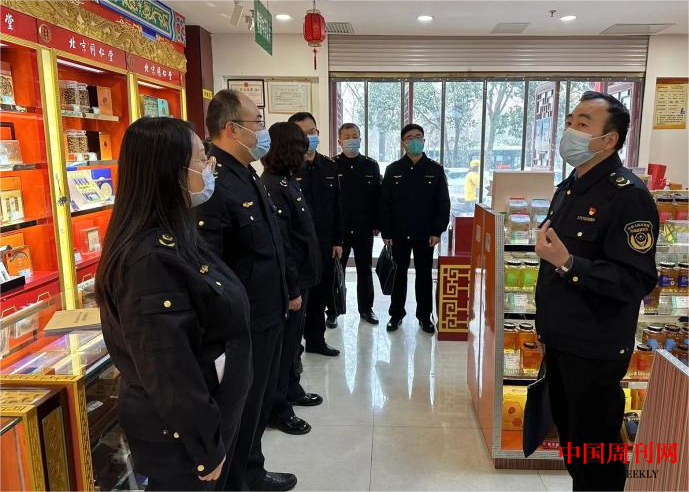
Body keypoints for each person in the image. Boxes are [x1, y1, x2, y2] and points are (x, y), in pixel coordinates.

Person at [95, 117, 252, 492]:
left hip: (210, 419)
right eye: (201, 160)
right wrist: (205, 446)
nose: (209, 168)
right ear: (172, 173)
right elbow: (169, 369)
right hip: (182, 439)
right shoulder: (149, 260)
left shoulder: (176, 235)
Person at [535, 91, 658, 492]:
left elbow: (636, 279)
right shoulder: (569, 188)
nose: (570, 129)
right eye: (570, 120)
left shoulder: (628, 196)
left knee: (596, 456)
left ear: (609, 140)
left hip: (595, 347)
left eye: (583, 122)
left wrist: (570, 263)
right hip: (561, 341)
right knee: (574, 448)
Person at [193, 90, 296, 492]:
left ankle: (252, 470)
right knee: (242, 407)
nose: (262, 131)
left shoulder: (246, 172)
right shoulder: (214, 183)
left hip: (268, 312)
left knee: (259, 402)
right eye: (257, 123)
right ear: (232, 129)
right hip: (244, 322)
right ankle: (238, 481)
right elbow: (211, 266)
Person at [261, 122, 325, 435]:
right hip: (292, 283)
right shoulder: (272, 186)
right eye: (301, 147)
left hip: (304, 277)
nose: (306, 152)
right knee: (284, 350)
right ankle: (278, 409)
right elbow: (283, 245)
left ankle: (292, 389)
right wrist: (293, 288)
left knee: (293, 346)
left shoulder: (288, 180)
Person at [380, 123, 451, 334]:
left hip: (425, 234)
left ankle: (424, 316)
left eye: (418, 137)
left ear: (424, 140)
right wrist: (386, 232)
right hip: (398, 234)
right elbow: (384, 204)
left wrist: (437, 231)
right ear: (403, 143)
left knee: (424, 276)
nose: (414, 141)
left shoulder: (435, 169)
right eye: (410, 137)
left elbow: (443, 203)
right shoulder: (393, 170)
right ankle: (396, 314)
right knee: (398, 275)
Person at [288, 111, 342, 356]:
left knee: (321, 293)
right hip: (297, 246)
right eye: (303, 134)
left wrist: (338, 240)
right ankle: (293, 346)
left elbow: (338, 207)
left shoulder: (329, 166)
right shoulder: (288, 168)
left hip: (324, 243)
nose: (310, 137)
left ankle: (316, 340)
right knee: (299, 297)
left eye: (313, 132)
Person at [334, 123, 381, 325]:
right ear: (340, 141)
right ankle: (333, 309)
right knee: (337, 270)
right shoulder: (331, 165)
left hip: (364, 227)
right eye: (347, 137)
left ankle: (366, 309)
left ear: (360, 139)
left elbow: (378, 198)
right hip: (340, 229)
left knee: (364, 269)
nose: (352, 140)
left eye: (355, 136)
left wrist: (378, 224)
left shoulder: (371, 165)